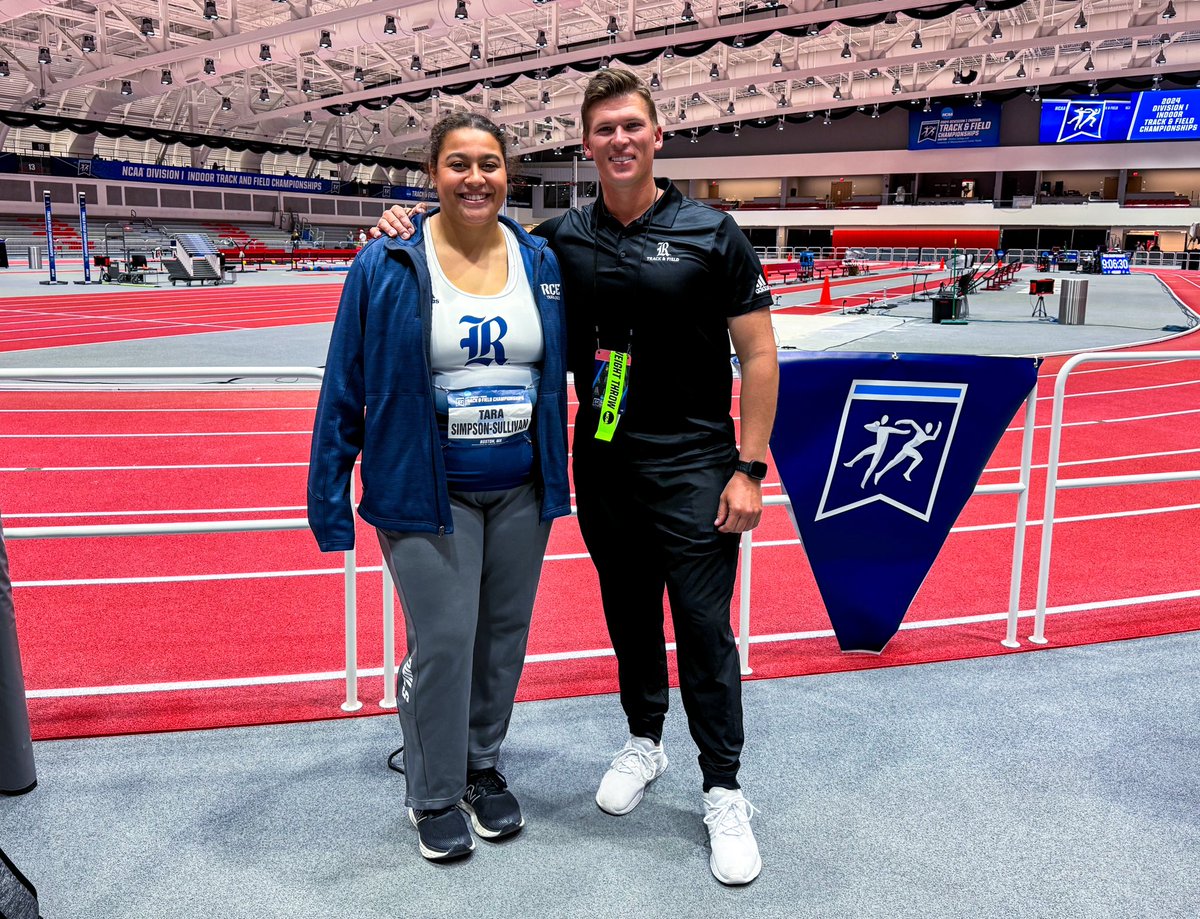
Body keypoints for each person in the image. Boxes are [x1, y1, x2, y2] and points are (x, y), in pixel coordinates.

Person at [374, 69, 779, 885]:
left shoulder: (713, 231)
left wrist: (749, 467)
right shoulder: (558, 238)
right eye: (604, 130)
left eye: (634, 125)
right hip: (604, 466)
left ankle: (724, 788)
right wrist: (409, 218)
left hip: (697, 466)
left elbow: (759, 352)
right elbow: (471, 228)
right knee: (629, 617)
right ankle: (644, 740)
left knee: (703, 631)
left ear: (657, 135)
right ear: (586, 144)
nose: (621, 140)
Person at [308, 112, 570, 863]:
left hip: (522, 486)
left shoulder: (541, 261)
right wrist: (328, 494)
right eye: (459, 163)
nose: (476, 177)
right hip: (425, 490)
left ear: (507, 173)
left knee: (502, 641)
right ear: (433, 174)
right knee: (448, 640)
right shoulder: (387, 261)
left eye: (489, 163)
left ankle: (480, 765)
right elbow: (345, 383)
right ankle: (430, 790)